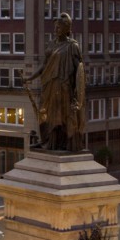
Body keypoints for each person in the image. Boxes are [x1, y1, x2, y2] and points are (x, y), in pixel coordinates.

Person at [22, 13, 86, 152]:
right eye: (55, 27)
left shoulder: (72, 46)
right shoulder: (51, 44)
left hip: (64, 86)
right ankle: (48, 141)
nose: (55, 30)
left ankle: (63, 143)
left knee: (62, 115)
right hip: (49, 84)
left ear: (66, 28)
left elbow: (79, 71)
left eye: (58, 27)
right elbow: (44, 65)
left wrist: (77, 96)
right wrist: (30, 78)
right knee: (47, 114)